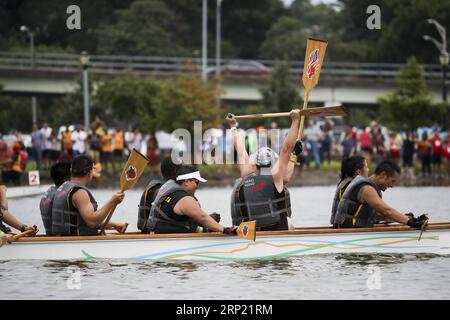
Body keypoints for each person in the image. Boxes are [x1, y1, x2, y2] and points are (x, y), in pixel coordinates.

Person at [227, 109, 302, 231]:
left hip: (254, 232)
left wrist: (232, 126)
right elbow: (286, 149)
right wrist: (295, 120)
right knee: (290, 225)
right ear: (273, 163)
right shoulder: (276, 177)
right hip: (276, 233)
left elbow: (241, 151)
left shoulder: (246, 177)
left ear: (256, 164)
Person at [333, 160, 427, 229]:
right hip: (347, 233)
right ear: (383, 175)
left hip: (348, 229)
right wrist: (411, 223)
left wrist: (408, 218)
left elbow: (380, 215)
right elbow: (386, 211)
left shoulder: (369, 186)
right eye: (392, 181)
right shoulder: (366, 189)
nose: (391, 186)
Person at [51, 155, 128, 236]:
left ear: (71, 170)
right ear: (89, 173)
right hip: (75, 244)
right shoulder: (79, 193)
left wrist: (115, 225)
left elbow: (85, 219)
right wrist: (112, 202)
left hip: (64, 241)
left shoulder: (64, 186)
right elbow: (91, 222)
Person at [146, 165, 234, 234]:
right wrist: (224, 229)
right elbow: (203, 218)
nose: (197, 186)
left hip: (157, 234)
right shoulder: (184, 199)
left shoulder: (172, 193)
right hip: (166, 240)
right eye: (197, 182)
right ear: (186, 182)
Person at [138, 156, 181, 233]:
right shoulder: (162, 190)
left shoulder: (158, 186)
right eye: (182, 170)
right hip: (154, 234)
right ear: (176, 171)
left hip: (148, 231)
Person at [330, 155, 369, 225]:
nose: (368, 170)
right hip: (344, 228)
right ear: (358, 172)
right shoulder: (349, 185)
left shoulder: (346, 182)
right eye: (366, 167)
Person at [39, 162, 71, 236]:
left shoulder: (48, 193)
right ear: (67, 179)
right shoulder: (63, 195)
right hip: (61, 242)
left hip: (51, 238)